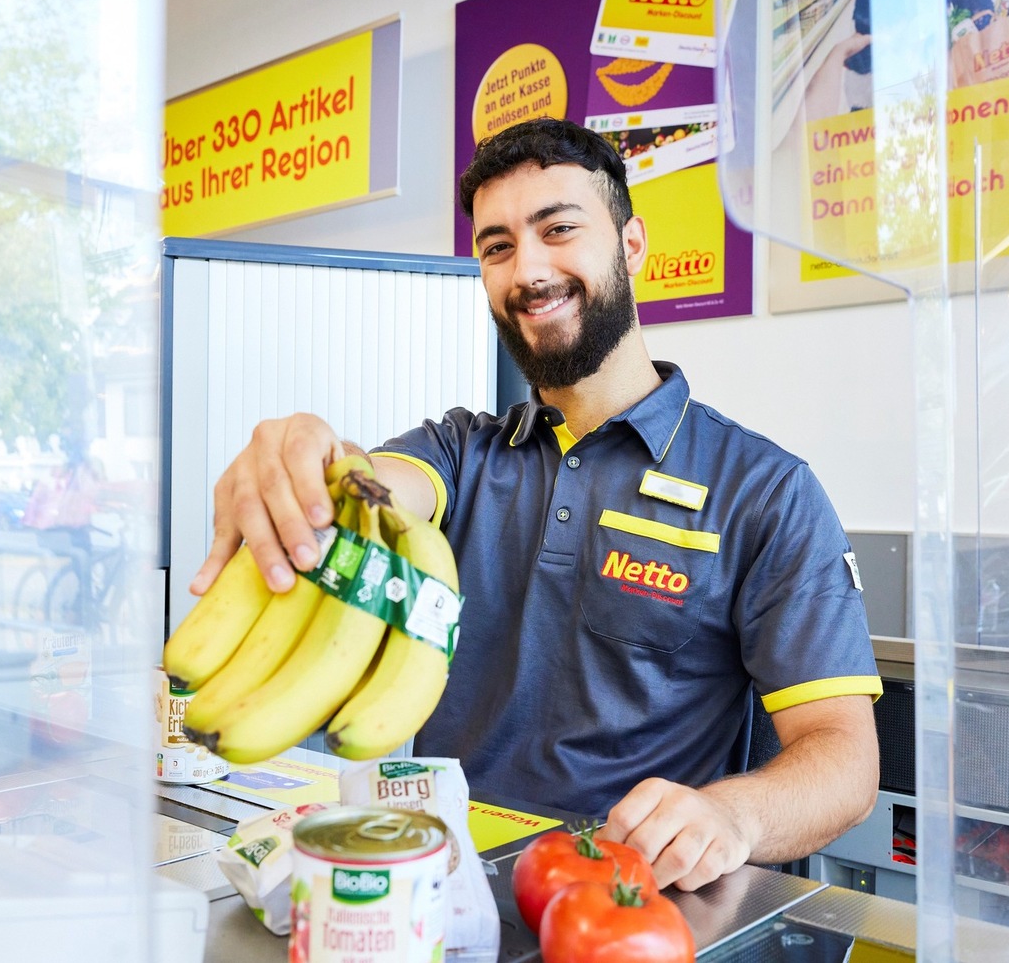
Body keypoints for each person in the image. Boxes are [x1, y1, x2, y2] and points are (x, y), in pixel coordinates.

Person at [192, 118, 881, 892]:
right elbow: (381, 489)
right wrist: (315, 458)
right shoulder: (460, 451)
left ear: (631, 245)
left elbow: (843, 756)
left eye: (559, 229)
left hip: (631, 912)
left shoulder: (765, 491)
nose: (529, 271)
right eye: (497, 247)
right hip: (446, 895)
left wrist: (735, 816)